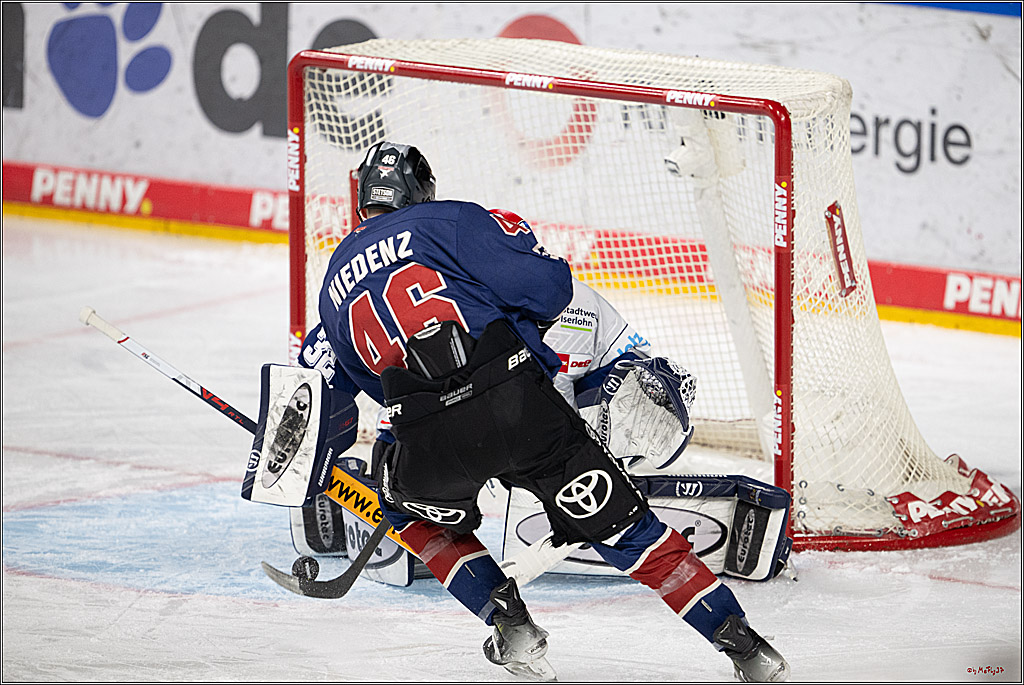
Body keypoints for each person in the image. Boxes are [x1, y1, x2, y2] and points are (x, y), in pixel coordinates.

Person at [299, 140, 790, 683]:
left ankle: (507, 621)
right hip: (520, 411)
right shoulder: (450, 221)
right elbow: (550, 290)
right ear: (422, 190)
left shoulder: (329, 291)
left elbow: (337, 398)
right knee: (630, 533)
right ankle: (745, 647)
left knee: (406, 515)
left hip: (428, 442)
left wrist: (317, 464)